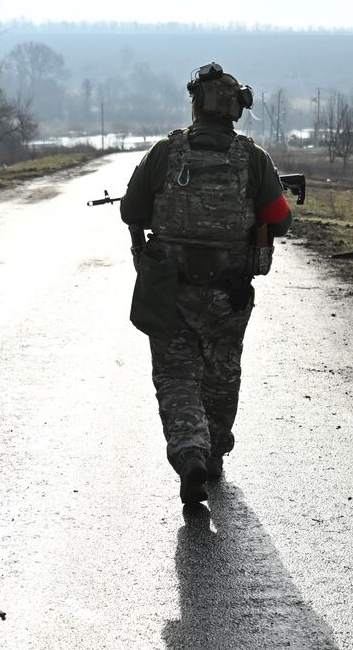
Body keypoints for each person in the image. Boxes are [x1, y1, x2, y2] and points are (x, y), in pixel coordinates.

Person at [119, 62, 294, 509]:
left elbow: (131, 211)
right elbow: (280, 221)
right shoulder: (252, 159)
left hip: (170, 289)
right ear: (235, 110)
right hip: (230, 290)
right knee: (222, 372)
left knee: (176, 374)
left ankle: (189, 453)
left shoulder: (164, 153)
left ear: (195, 105)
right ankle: (213, 452)